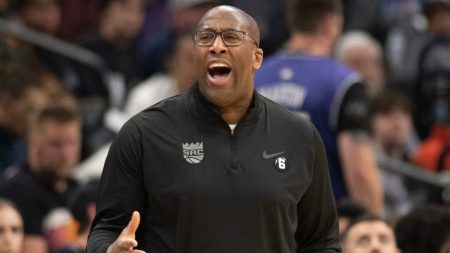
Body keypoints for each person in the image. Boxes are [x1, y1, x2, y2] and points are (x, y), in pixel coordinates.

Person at [87, 5, 340, 253]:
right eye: (206, 37)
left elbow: (322, 243)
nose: (216, 46)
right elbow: (106, 230)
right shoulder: (143, 133)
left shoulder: (299, 136)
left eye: (231, 37)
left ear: (257, 58)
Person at [254, 0, 383, 216]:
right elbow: (360, 173)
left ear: (292, 22)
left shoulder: (254, 77)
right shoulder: (342, 83)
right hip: (319, 225)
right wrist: (376, 227)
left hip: (262, 221)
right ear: (331, 24)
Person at [0, 94, 82, 253]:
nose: (65, 154)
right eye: (55, 144)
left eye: (71, 142)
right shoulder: (17, 191)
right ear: (33, 145)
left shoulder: (78, 188)